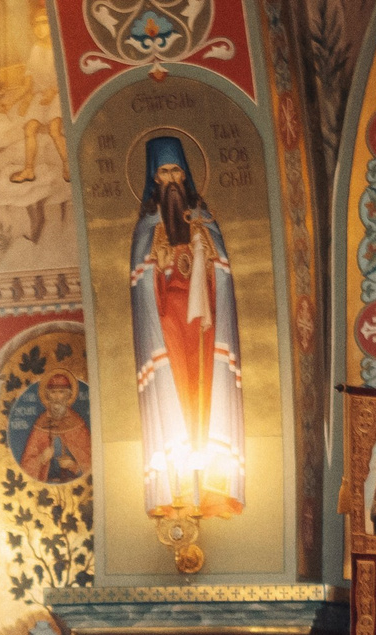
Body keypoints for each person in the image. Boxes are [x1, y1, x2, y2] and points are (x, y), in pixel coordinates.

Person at [129, 135, 245, 519]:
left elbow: (224, 274)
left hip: (203, 324)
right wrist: (154, 266)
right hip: (167, 323)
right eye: (163, 172)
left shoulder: (204, 222)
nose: (172, 178)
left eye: (176, 169)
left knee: (204, 392)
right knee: (176, 388)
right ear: (154, 179)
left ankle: (211, 486)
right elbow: (140, 283)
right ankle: (176, 486)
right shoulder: (148, 226)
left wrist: (205, 258)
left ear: (187, 174)